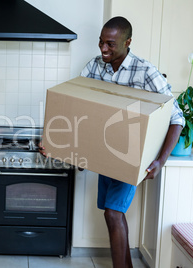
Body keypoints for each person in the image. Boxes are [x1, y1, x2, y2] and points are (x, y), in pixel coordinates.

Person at [79, 16, 185, 267]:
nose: (103, 49)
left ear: (128, 42)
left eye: (111, 44)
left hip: (133, 154)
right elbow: (79, 107)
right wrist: (78, 151)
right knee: (113, 214)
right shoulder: (94, 67)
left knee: (113, 213)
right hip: (104, 153)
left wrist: (160, 161)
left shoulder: (146, 72)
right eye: (101, 42)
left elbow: (176, 117)